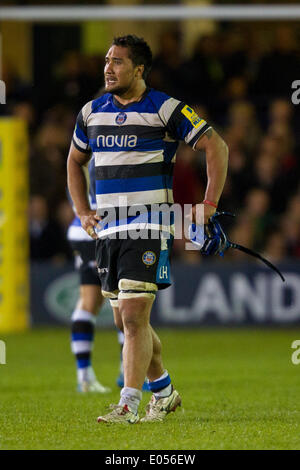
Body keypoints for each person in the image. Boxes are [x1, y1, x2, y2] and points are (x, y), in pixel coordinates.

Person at [67, 35, 228, 423]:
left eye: (118, 61)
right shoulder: (91, 112)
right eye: (107, 60)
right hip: (107, 229)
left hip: (149, 223)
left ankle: (128, 405)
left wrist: (208, 206)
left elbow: (216, 146)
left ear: (139, 69)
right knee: (126, 319)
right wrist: (82, 209)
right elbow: (74, 161)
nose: (108, 67)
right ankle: (166, 392)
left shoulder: (165, 108)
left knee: (135, 317)